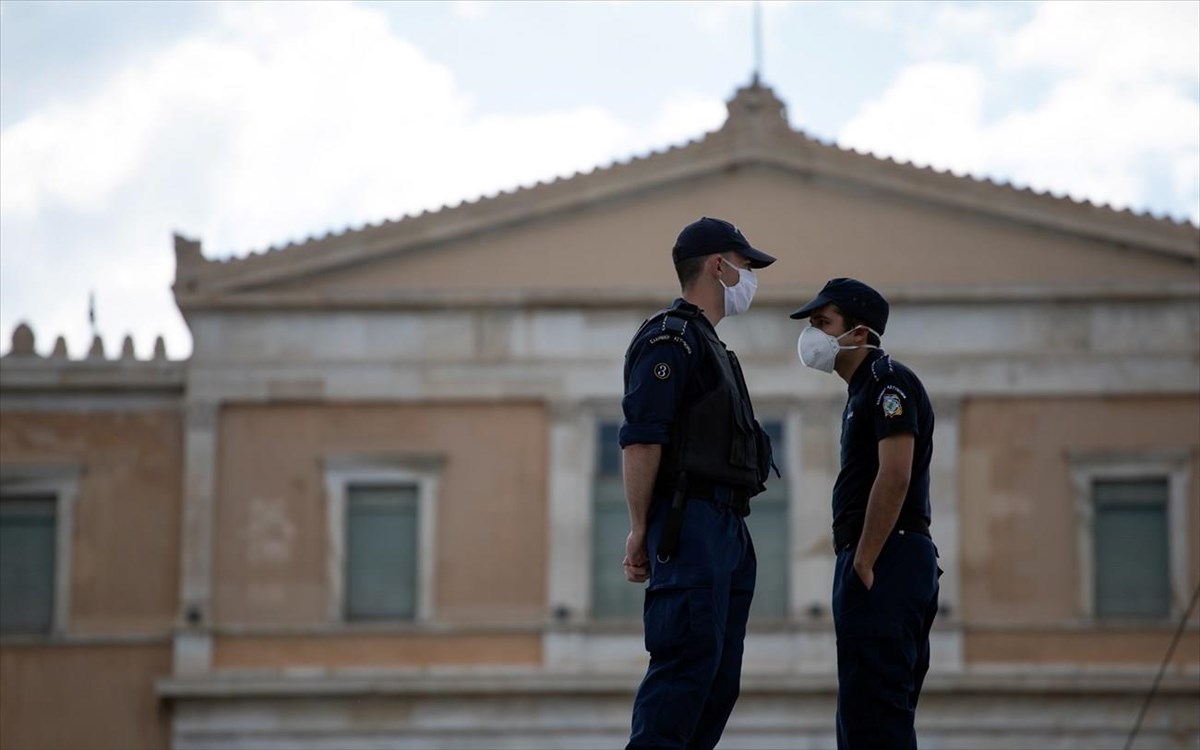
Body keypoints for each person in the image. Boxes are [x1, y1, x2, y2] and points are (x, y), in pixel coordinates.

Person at [620, 216, 778, 750]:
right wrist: (640, 528)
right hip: (691, 527)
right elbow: (642, 439)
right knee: (683, 675)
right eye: (746, 266)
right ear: (719, 266)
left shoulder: (710, 346)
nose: (750, 278)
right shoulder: (672, 338)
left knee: (715, 683)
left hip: (726, 529)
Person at [791, 277, 941, 750]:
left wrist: (863, 560)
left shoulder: (886, 381)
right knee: (863, 713)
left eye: (822, 323)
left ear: (857, 333)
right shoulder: (862, 391)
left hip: (887, 556)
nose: (811, 335)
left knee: (875, 717)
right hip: (882, 556)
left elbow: (895, 474)